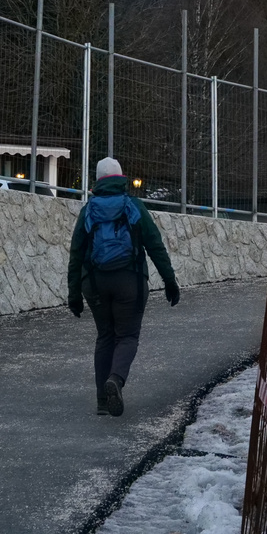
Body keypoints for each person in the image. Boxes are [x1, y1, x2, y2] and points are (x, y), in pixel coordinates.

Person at [67, 156, 181, 416]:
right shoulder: (133, 206)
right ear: (120, 178)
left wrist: (74, 294)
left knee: (105, 336)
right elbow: (155, 245)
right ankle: (115, 380)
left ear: (98, 180)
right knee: (127, 336)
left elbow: (76, 253)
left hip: (94, 282)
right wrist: (169, 280)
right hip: (130, 281)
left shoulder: (89, 209)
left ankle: (101, 401)